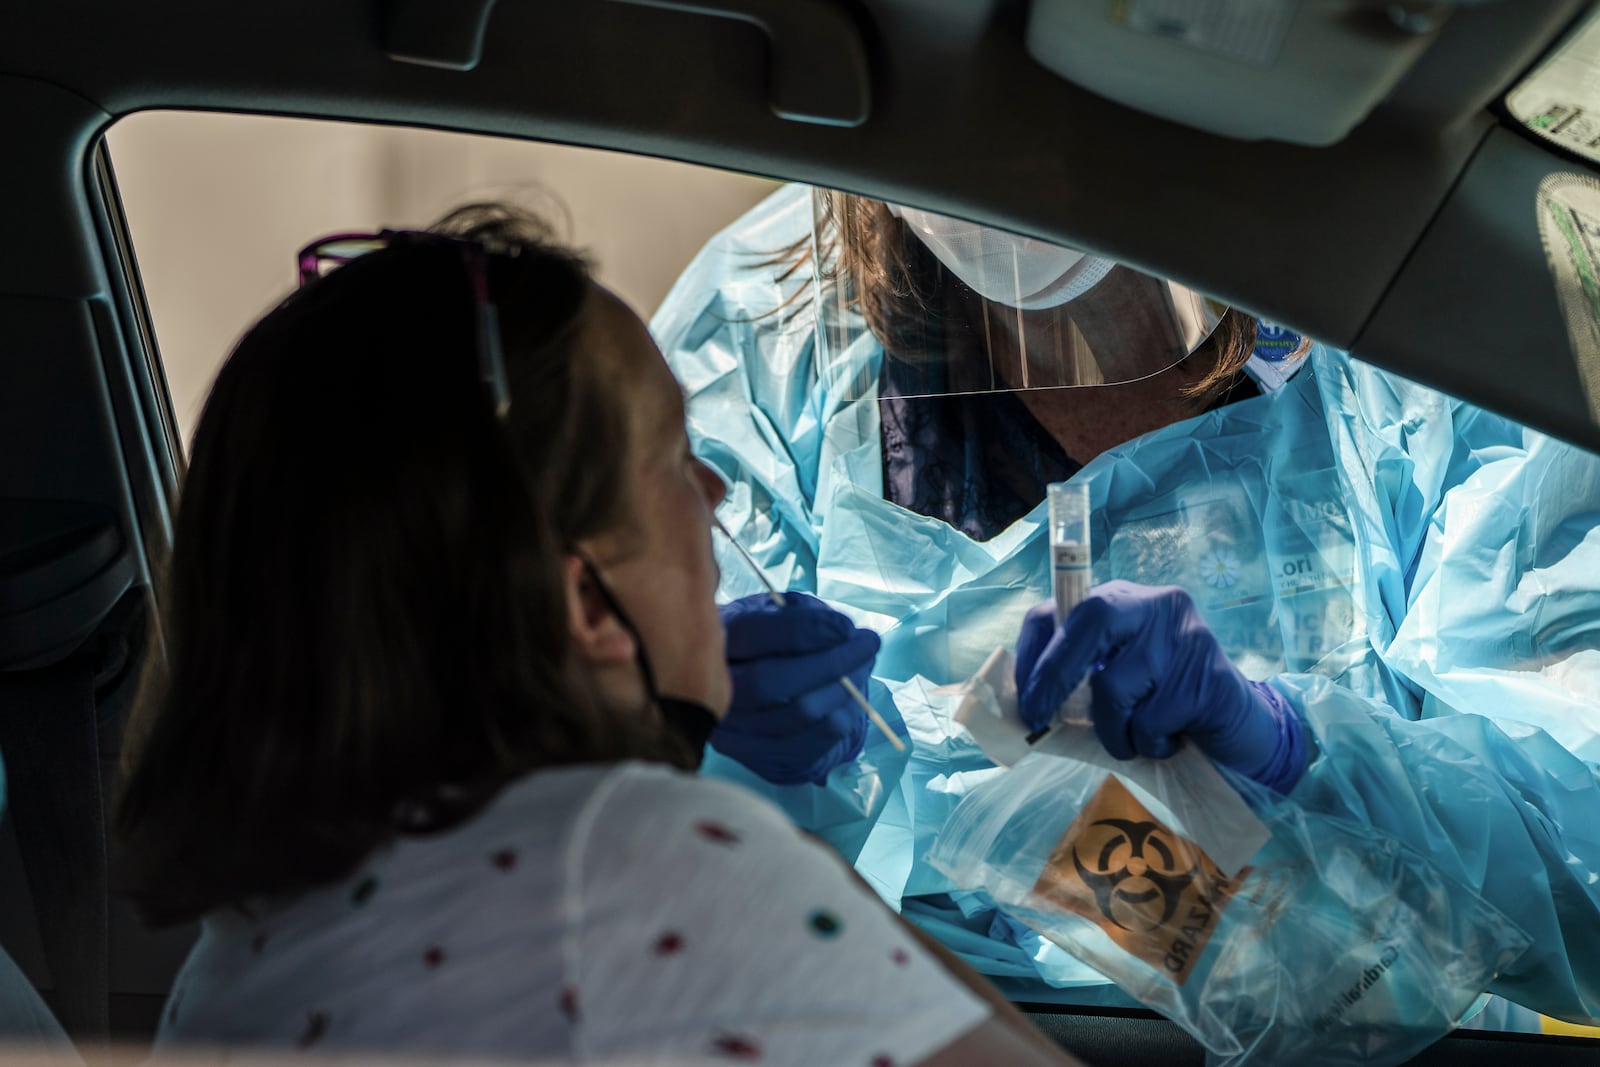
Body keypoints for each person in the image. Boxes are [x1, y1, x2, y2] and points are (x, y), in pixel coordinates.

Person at [111, 205, 1087, 1066]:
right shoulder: (633, 857)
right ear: (583, 603)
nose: (710, 493)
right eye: (672, 455)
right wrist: (791, 858)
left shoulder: (241, 939)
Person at [653, 183, 1600, 1029]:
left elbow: (1583, 858)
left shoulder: (1416, 324)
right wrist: (732, 759)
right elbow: (619, 864)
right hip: (924, 1023)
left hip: (1369, 1024)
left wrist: (1294, 752)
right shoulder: (772, 333)